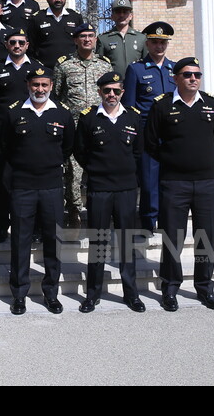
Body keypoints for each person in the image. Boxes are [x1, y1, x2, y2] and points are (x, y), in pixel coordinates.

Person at [145, 57, 214, 313]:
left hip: (206, 184)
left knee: (205, 238)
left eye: (197, 75)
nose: (194, 79)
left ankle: (204, 287)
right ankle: (170, 288)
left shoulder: (211, 104)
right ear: (175, 78)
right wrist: (174, 160)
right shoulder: (163, 106)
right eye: (188, 75)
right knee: (173, 239)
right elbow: (150, 143)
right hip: (174, 184)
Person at [1, 67, 75, 315]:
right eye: (35, 85)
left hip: (52, 186)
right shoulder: (13, 113)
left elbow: (67, 148)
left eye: (44, 85)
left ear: (52, 86)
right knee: (20, 242)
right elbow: (6, 148)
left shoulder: (63, 114)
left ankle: (51, 293)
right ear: (28, 85)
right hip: (22, 187)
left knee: (53, 242)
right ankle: (19, 294)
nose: (40, 89)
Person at [74, 71, 146, 314]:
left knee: (126, 244)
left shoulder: (133, 118)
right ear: (99, 92)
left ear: (122, 92)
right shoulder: (88, 119)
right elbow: (80, 151)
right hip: (99, 189)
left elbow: (138, 152)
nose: (111, 95)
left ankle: (131, 294)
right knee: (98, 243)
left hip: (126, 189)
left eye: (116, 91)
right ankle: (92, 295)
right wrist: (96, 170)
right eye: (107, 91)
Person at [0, 27, 45, 243]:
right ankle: (2, 224)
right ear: (6, 44)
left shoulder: (38, 69)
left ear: (27, 44)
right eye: (13, 42)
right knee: (5, 181)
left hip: (33, 134)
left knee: (34, 180)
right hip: (5, 134)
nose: (17, 46)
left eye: (21, 42)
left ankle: (37, 226)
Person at [53, 23, 113, 228]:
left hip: (99, 124)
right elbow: (58, 96)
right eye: (83, 36)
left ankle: (104, 209)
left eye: (91, 36)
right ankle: (74, 211)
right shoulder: (64, 65)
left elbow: (110, 93)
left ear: (96, 39)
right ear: (75, 40)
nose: (87, 39)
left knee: (102, 166)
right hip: (75, 125)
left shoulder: (105, 65)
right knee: (73, 171)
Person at [124, 21, 176, 233]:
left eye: (163, 42)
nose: (159, 46)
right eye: (155, 42)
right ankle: (148, 220)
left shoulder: (175, 69)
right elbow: (129, 106)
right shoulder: (136, 70)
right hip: (147, 131)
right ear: (147, 43)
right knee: (148, 179)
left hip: (171, 131)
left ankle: (168, 218)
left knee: (170, 178)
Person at [28, 0, 83, 69]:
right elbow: (31, 48)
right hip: (45, 70)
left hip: (71, 70)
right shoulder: (37, 18)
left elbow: (81, 43)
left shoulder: (75, 17)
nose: (58, 0)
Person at [96, 0, 146, 78]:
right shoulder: (103, 39)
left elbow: (146, 63)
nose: (122, 15)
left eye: (125, 12)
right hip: (113, 84)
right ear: (112, 16)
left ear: (131, 16)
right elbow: (99, 65)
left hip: (137, 83)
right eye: (118, 12)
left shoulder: (141, 38)